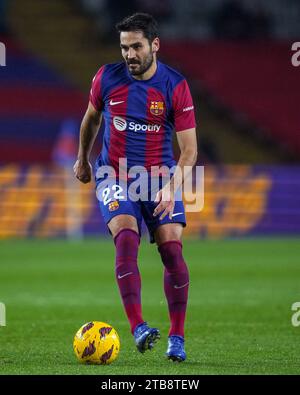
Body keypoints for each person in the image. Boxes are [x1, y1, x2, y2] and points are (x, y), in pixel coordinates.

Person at [73, 12, 197, 362]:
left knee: (171, 251)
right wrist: (82, 159)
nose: (129, 54)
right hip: (113, 173)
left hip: (159, 177)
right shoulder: (107, 78)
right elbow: (90, 119)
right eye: (125, 47)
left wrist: (171, 188)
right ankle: (139, 327)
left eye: (137, 47)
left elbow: (189, 151)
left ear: (154, 45)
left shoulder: (175, 85)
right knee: (126, 236)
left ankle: (177, 337)